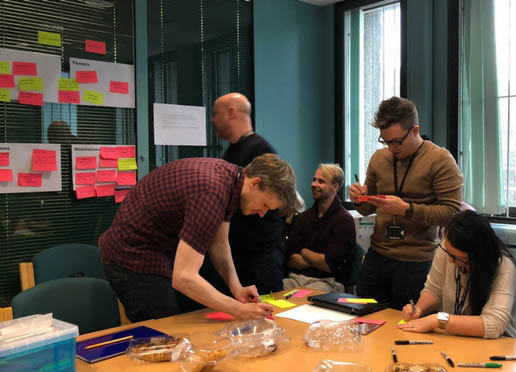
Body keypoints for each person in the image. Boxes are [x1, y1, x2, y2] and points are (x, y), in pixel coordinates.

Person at [99, 153, 299, 322]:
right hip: (131, 256)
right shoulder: (212, 192)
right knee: (166, 336)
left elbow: (219, 244)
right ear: (255, 184)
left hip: (152, 250)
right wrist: (238, 310)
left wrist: (236, 289)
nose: (263, 213)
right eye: (265, 205)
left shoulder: (231, 180)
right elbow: (183, 277)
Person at [348, 96, 463, 310]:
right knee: (363, 319)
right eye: (385, 141)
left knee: (407, 325)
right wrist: (358, 198)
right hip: (377, 256)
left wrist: (407, 210)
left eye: (397, 141)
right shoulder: (378, 159)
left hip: (416, 262)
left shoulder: (440, 160)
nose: (391, 148)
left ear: (415, 130)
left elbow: (452, 212)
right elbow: (367, 208)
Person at [201, 92, 286, 295]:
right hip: (234, 255)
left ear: (231, 113)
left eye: (215, 113)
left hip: (256, 261)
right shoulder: (233, 150)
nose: (212, 120)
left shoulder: (260, 150)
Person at [397, 210, 516, 339]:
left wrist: (438, 320)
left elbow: (494, 324)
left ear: (478, 255)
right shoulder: (449, 247)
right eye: (449, 254)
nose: (450, 260)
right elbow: (434, 290)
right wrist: (418, 309)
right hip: (456, 338)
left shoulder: (504, 267)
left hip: (499, 344)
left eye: (459, 258)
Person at [283, 163, 356, 292]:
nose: (314, 184)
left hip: (329, 282)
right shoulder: (303, 218)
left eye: (321, 181)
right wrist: (318, 260)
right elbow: (290, 259)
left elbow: (330, 265)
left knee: (301, 299)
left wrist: (304, 252)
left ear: (335, 187)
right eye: (314, 179)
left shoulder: (344, 221)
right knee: (272, 291)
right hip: (296, 279)